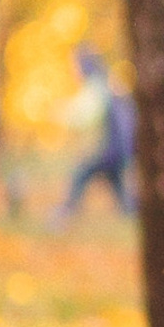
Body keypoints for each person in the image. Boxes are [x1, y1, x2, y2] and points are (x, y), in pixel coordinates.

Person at [57, 46, 137, 218]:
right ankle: (134, 211)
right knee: (117, 186)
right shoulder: (107, 82)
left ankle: (65, 212)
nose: (75, 70)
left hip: (110, 150)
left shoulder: (97, 86)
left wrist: (60, 114)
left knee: (81, 174)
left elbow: (85, 116)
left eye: (76, 65)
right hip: (120, 149)